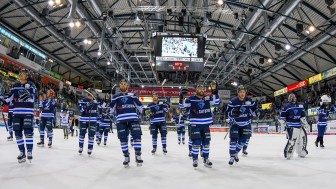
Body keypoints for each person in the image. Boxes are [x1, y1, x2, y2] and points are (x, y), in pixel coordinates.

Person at [179, 80, 220, 168]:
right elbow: (182, 106)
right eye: (200, 88)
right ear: (196, 90)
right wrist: (181, 96)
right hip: (195, 125)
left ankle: (206, 159)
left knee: (206, 143)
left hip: (206, 125)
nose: (202, 90)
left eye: (203, 88)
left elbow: (217, 103)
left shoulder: (208, 98)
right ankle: (195, 159)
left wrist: (215, 92)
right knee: (196, 143)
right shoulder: (191, 99)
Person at [1, 69, 37, 163]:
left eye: (24, 74)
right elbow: (9, 99)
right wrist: (2, 99)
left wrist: (27, 94)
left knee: (28, 132)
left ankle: (29, 151)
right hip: (17, 113)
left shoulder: (31, 85)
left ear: (27, 76)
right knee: (17, 133)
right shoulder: (15, 86)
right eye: (20, 73)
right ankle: (22, 152)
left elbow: (33, 99)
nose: (21, 75)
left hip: (28, 112)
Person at [109, 79, 144, 167]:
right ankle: (126, 156)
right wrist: (107, 111)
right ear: (120, 86)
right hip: (121, 120)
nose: (123, 85)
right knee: (123, 140)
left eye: (125, 84)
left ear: (127, 86)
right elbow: (111, 108)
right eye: (122, 84)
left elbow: (139, 105)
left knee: (137, 137)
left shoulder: (132, 95)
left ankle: (138, 155)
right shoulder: (116, 97)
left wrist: (144, 110)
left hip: (133, 119)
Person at [226, 85, 257, 165]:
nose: (242, 94)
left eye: (243, 92)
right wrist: (232, 114)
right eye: (240, 92)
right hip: (235, 124)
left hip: (246, 124)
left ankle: (235, 153)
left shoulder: (250, 101)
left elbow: (255, 110)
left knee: (243, 141)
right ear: (238, 93)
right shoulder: (233, 101)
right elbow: (227, 112)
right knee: (233, 141)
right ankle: (232, 156)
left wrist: (256, 112)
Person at [279, 93, 309, 160]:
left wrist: (305, 123)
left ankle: (301, 151)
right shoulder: (286, 106)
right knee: (292, 140)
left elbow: (303, 116)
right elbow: (282, 118)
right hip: (290, 126)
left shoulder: (300, 105)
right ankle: (288, 153)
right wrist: (283, 125)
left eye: (294, 97)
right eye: (291, 97)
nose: (293, 98)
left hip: (299, 125)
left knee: (303, 138)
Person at [78, 89, 99, 155]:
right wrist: (86, 106)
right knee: (82, 134)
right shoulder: (83, 100)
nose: (94, 94)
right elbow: (80, 110)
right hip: (84, 119)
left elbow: (99, 110)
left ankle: (90, 149)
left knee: (91, 135)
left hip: (92, 120)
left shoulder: (96, 101)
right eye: (93, 93)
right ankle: (80, 147)